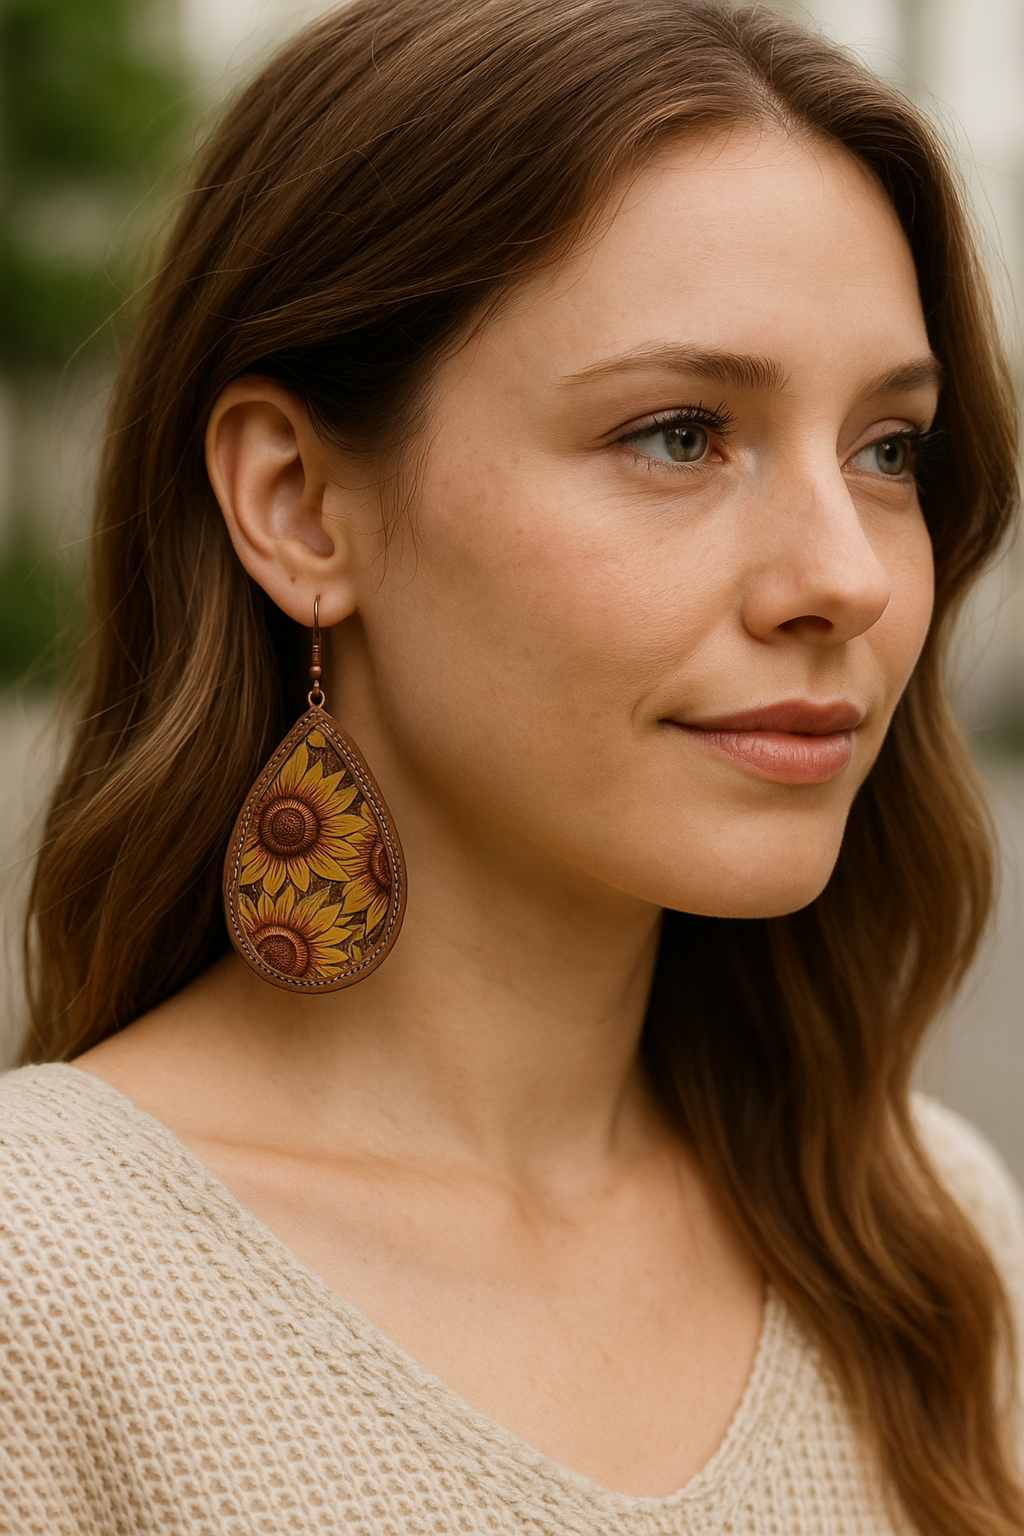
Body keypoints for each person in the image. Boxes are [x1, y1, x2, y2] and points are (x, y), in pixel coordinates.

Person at [2, 0, 1022, 1531]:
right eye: (680, 434)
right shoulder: (44, 1285)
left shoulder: (928, 1239)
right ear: (298, 506)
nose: (848, 576)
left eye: (888, 449)